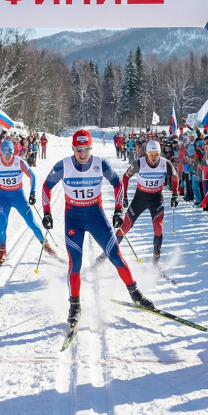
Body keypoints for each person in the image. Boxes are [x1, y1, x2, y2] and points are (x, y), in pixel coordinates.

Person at [41, 129, 154, 327]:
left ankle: (135, 293)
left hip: (96, 216)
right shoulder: (63, 165)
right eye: (78, 149)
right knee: (75, 263)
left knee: (115, 256)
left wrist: (118, 210)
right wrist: (47, 212)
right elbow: (46, 187)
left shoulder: (100, 164)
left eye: (86, 149)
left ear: (91, 148)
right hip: (74, 218)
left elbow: (118, 184)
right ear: (73, 148)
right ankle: (74, 305)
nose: (82, 154)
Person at [0, 140, 55, 264]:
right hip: (4, 198)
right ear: (1, 153)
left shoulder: (19, 162)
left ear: (13, 152)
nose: (7, 156)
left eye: (10, 153)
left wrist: (32, 193)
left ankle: (46, 245)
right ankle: (2, 251)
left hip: (19, 196)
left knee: (31, 223)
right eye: (5, 153)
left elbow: (32, 176)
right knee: (2, 225)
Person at [117, 140, 179, 263]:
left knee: (158, 228)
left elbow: (175, 176)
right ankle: (108, 251)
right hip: (140, 198)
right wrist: (125, 196)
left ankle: (156, 259)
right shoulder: (139, 163)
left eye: (156, 154)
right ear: (147, 153)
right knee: (126, 226)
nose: (154, 157)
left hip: (156, 199)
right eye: (151, 155)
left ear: (160, 153)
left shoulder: (165, 163)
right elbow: (125, 176)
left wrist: (175, 195)